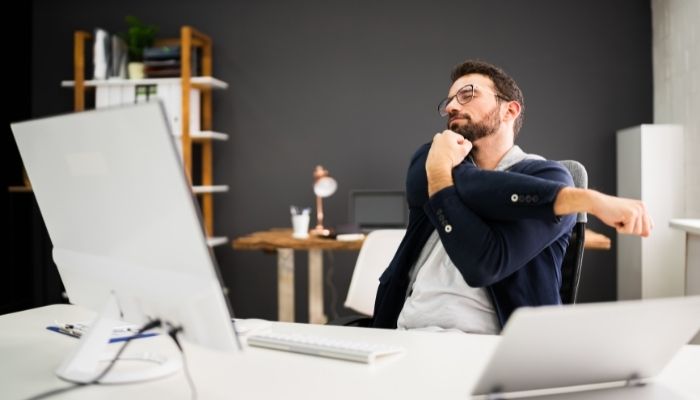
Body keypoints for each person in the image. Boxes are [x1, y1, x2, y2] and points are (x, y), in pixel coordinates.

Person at [371, 60, 652, 334]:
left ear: (510, 110)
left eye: (467, 94)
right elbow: (474, 185)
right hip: (404, 335)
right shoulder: (431, 157)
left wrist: (441, 180)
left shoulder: (549, 178)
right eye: (448, 101)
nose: (452, 106)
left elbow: (484, 265)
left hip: (492, 350)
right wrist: (584, 200)